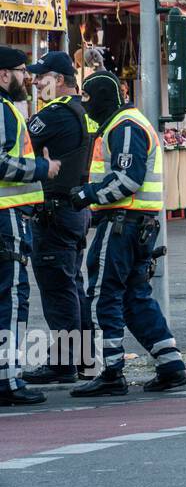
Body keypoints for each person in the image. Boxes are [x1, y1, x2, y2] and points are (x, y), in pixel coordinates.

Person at [68, 71, 186, 397]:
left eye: (88, 100)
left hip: (122, 223)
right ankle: (170, 364)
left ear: (104, 99)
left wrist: (87, 194)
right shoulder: (127, 122)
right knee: (135, 296)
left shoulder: (124, 127)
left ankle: (111, 371)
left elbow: (127, 178)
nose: (86, 106)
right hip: (139, 224)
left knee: (104, 294)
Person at [22, 52, 96, 386]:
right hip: (75, 208)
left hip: (54, 210)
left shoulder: (54, 113)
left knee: (58, 287)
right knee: (72, 283)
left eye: (42, 77)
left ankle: (65, 362)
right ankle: (82, 358)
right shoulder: (82, 111)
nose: (36, 82)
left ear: (61, 80)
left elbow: (20, 143)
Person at [0, 48, 62, 406]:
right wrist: (42, 169)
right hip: (6, 216)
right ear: (5, 74)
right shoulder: (4, 109)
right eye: (23, 71)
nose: (29, 79)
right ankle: (7, 381)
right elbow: (3, 163)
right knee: (9, 298)